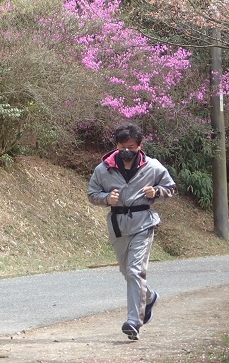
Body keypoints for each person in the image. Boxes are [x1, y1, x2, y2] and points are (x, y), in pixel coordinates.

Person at [87, 123, 176, 340]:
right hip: (118, 225)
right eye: (121, 146)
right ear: (116, 145)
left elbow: (171, 189)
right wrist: (106, 199)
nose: (125, 150)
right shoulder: (103, 169)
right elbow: (91, 193)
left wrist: (155, 191)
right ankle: (149, 296)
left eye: (130, 146)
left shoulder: (153, 167)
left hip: (143, 223)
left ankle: (133, 321)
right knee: (127, 272)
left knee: (136, 271)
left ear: (139, 146)